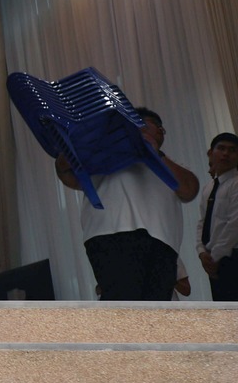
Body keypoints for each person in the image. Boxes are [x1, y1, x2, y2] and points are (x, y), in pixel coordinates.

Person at [54, 107, 200, 300]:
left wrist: (154, 153)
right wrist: (71, 151)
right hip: (112, 235)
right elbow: (68, 174)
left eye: (161, 128)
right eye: (154, 124)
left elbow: (189, 190)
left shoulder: (169, 165)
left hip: (163, 242)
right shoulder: (102, 157)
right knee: (124, 304)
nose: (159, 130)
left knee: (157, 310)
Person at [197, 132, 238, 301]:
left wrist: (215, 256)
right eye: (221, 148)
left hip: (232, 255)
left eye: (232, 150)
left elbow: (235, 223)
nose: (226, 153)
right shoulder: (209, 188)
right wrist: (201, 252)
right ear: (210, 153)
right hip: (213, 260)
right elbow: (202, 222)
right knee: (223, 308)